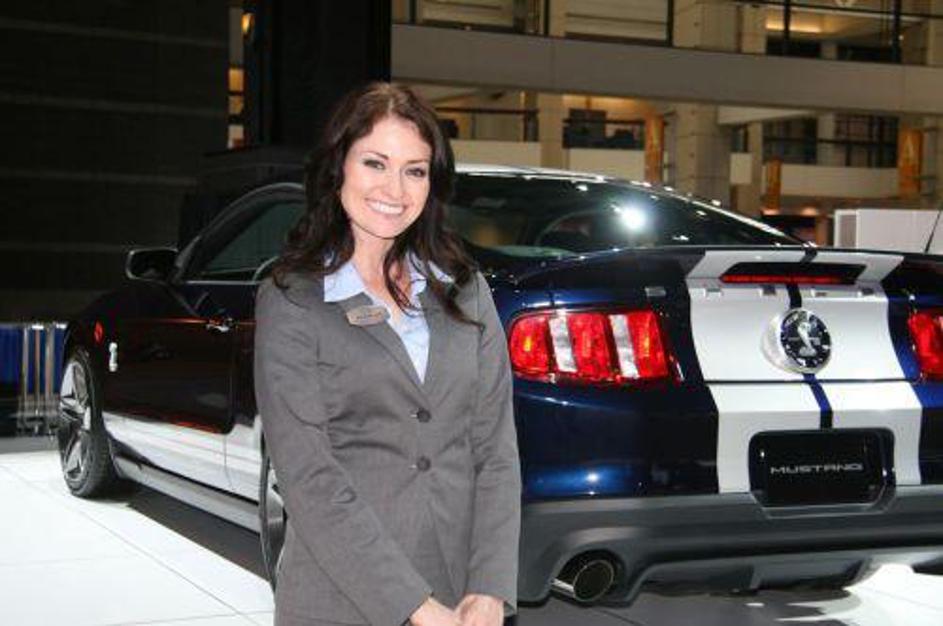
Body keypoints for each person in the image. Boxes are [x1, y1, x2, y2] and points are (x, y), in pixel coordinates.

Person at [253, 82, 521, 626]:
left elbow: (495, 449)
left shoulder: (466, 291)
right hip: (339, 597)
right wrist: (415, 606)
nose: (394, 189)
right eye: (375, 163)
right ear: (339, 168)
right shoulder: (293, 300)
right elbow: (309, 477)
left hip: (460, 595)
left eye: (414, 170)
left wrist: (490, 586)